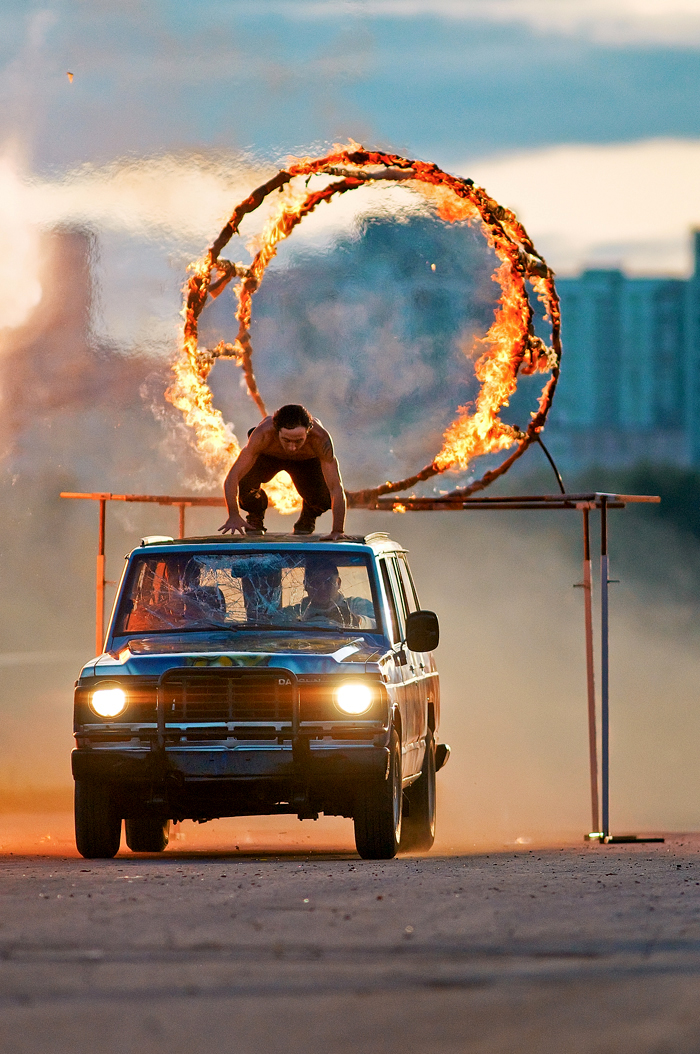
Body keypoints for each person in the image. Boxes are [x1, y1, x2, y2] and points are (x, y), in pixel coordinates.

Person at [219, 404, 348, 539]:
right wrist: (233, 515)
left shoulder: (320, 439)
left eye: (299, 441)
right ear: (276, 431)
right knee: (245, 481)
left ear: (308, 432)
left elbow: (336, 488)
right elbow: (232, 477)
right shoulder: (263, 435)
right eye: (286, 440)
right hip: (269, 457)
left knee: (324, 498)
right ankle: (255, 513)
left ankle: (309, 512)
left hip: (305, 462)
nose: (292, 447)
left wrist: (338, 530)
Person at [291, 559, 375, 628]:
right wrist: (295, 623)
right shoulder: (293, 613)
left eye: (328, 582)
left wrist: (356, 619)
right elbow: (278, 624)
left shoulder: (356, 605)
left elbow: (382, 627)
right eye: (316, 582)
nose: (322, 588)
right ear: (306, 585)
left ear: (338, 583)